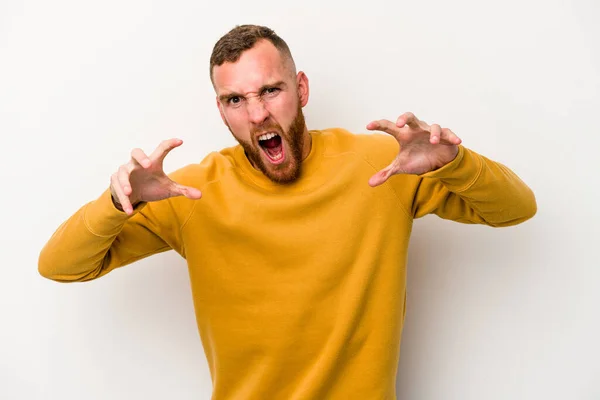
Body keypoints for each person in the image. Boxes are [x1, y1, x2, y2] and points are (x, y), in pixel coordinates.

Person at [38, 24, 537, 399]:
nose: (256, 114)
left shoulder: (383, 167)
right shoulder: (189, 194)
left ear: (300, 89)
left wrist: (455, 162)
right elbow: (60, 266)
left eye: (270, 91)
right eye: (236, 99)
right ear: (221, 110)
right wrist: (116, 201)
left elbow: (515, 209)